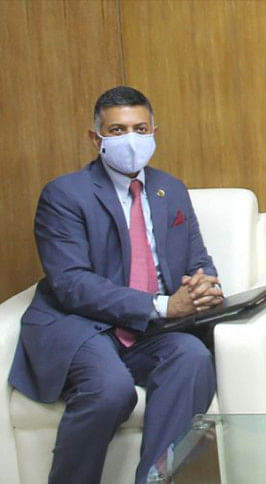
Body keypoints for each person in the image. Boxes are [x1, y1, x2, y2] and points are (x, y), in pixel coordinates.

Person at [8, 86, 223, 484]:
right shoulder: (64, 194)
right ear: (97, 139)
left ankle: (157, 480)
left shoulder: (171, 189)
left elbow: (196, 258)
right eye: (118, 130)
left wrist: (203, 285)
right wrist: (163, 305)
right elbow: (71, 283)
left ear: (154, 132)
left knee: (191, 357)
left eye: (140, 129)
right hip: (83, 325)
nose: (131, 140)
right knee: (111, 389)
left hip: (149, 331)